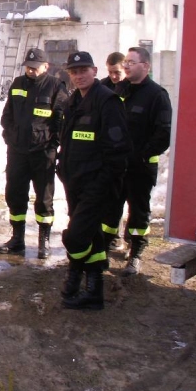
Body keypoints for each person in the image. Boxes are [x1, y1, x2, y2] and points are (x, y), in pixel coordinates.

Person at [57, 51, 130, 310]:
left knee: (75, 237)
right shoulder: (72, 102)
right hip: (74, 183)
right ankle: (94, 291)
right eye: (74, 72)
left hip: (97, 185)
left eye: (83, 70)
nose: (79, 76)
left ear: (95, 71)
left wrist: (103, 183)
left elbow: (118, 151)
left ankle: (75, 272)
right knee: (92, 235)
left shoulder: (108, 102)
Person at [0, 48, 68, 259]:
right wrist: (10, 136)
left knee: (44, 198)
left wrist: (52, 145)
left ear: (46, 66)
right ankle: (17, 239)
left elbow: (60, 120)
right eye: (28, 67)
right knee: (15, 195)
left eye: (35, 67)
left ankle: (43, 242)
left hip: (42, 153)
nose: (31, 70)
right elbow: (7, 115)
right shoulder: (18, 84)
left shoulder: (55, 86)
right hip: (17, 152)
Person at [113, 47, 172, 276]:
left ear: (145, 66)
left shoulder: (157, 95)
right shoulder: (120, 90)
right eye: (126, 62)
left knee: (138, 212)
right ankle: (109, 245)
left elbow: (163, 133)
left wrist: (143, 154)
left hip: (141, 167)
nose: (126, 66)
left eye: (132, 62)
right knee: (111, 208)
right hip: (117, 165)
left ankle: (135, 254)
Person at [99, 51, 128, 252]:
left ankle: (129, 241)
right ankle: (111, 237)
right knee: (109, 197)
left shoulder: (132, 87)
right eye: (110, 72)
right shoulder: (102, 87)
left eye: (117, 72)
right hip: (107, 152)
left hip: (129, 152)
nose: (114, 76)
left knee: (128, 198)